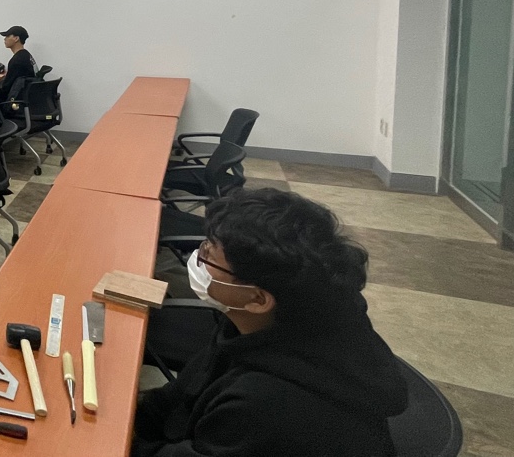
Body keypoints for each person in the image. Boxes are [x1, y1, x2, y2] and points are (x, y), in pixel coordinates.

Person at [131, 189, 407, 457]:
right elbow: (179, 395)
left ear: (258, 299)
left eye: (209, 256)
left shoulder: (264, 403)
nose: (198, 258)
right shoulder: (260, 323)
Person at [0, 25, 36, 121]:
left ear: (16, 38)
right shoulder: (26, 55)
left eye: (7, 36)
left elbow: (6, 88)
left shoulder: (17, 61)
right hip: (25, 99)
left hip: (14, 103)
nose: (5, 39)